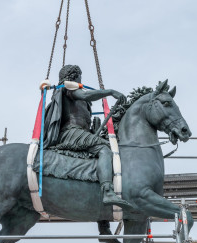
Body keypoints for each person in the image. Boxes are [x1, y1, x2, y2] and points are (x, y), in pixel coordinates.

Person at [44, 64, 132, 210]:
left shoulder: (75, 95)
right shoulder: (68, 88)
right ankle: (108, 191)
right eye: (79, 77)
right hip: (71, 132)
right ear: (74, 77)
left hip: (81, 132)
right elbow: (85, 95)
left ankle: (101, 217)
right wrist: (109, 91)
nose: (81, 81)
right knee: (105, 149)